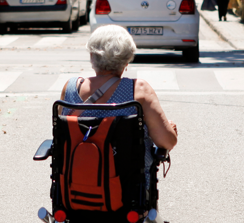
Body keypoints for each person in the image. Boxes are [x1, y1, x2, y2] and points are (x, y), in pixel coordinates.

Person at [60, 25, 178, 153]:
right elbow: (167, 142)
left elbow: (60, 135)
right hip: (128, 173)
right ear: (127, 60)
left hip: (78, 171)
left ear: (92, 56)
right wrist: (170, 130)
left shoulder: (71, 88)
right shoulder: (139, 90)